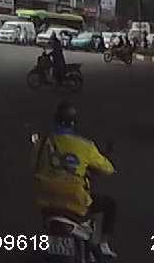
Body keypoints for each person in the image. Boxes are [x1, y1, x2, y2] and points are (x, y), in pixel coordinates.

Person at [32, 101, 117, 258]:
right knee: (109, 205)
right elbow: (108, 169)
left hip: (46, 199)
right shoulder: (85, 146)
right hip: (74, 200)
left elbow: (34, 165)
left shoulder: (42, 143)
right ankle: (103, 245)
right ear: (73, 123)